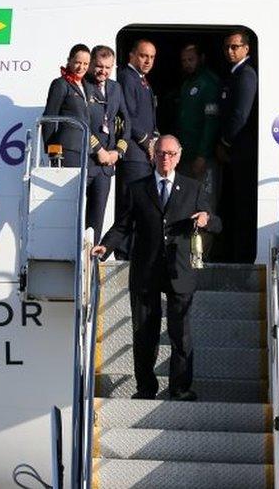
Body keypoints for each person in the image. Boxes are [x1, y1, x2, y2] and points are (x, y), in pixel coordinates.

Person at [92, 135, 221, 401]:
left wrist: (206, 219)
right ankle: (145, 388)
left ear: (179, 156)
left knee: (181, 334)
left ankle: (180, 388)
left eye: (171, 154)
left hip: (179, 270)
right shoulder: (137, 187)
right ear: (153, 155)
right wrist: (105, 246)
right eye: (162, 153)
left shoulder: (192, 188)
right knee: (144, 333)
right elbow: (123, 225)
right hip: (146, 270)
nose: (166, 159)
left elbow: (216, 223)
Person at [171, 44, 222, 244]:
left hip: (202, 158)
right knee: (183, 204)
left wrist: (203, 154)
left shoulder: (209, 83)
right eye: (184, 60)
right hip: (185, 156)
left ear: (201, 58)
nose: (187, 64)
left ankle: (205, 254)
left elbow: (211, 122)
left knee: (205, 206)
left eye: (191, 59)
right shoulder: (186, 83)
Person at [114, 39, 159, 259]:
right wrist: (146, 141)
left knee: (140, 203)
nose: (148, 61)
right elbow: (128, 115)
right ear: (132, 55)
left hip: (144, 155)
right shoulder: (126, 76)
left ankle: (132, 251)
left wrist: (156, 140)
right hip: (133, 153)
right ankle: (123, 253)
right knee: (129, 202)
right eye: (143, 56)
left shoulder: (142, 80)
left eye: (151, 57)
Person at [215, 30, 258, 263]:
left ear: (246, 49)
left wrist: (224, 142)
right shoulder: (233, 74)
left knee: (241, 205)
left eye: (235, 47)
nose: (230, 51)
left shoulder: (246, 75)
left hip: (240, 152)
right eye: (227, 47)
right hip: (234, 153)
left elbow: (240, 115)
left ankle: (241, 257)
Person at [82, 45, 131, 242]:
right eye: (99, 66)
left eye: (108, 68)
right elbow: (81, 123)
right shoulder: (82, 85)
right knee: (75, 219)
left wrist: (118, 152)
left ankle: (91, 268)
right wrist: (98, 149)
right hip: (86, 160)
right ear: (92, 63)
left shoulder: (115, 87)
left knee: (96, 224)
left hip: (106, 166)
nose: (103, 71)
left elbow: (126, 120)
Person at [42, 44, 92, 164]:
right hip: (67, 149)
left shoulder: (87, 86)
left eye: (86, 64)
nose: (81, 67)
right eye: (78, 62)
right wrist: (52, 150)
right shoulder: (60, 84)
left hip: (85, 148)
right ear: (69, 61)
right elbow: (49, 117)